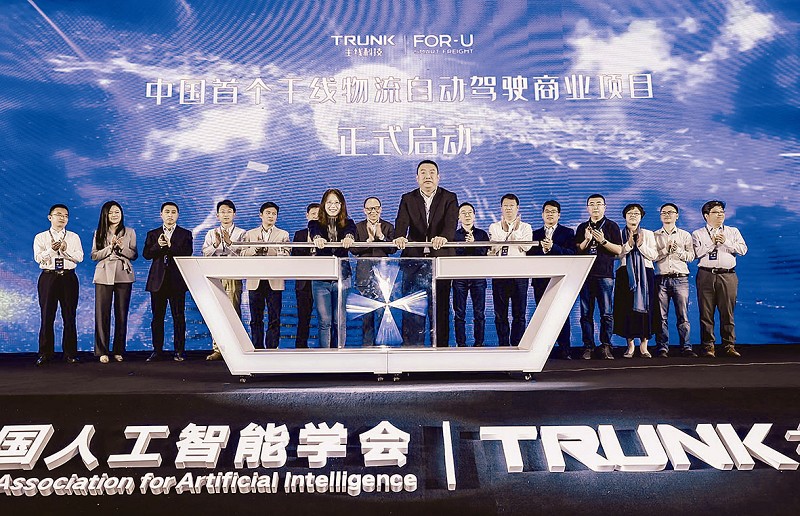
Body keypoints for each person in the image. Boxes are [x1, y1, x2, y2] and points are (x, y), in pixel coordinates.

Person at [393, 160, 458, 346]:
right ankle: (412, 349)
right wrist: (399, 236)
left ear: (438, 177)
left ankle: (441, 350)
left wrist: (444, 237)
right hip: (414, 263)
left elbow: (451, 223)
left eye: (431, 172)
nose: (427, 176)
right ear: (417, 178)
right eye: (423, 172)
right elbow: (401, 223)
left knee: (440, 309)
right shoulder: (408, 198)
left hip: (440, 262)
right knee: (412, 308)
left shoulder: (449, 197)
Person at [692, 200, 748, 357]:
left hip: (728, 275)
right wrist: (711, 243)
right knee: (706, 313)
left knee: (727, 312)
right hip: (706, 275)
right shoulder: (698, 233)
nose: (720, 214)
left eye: (722, 212)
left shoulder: (733, 231)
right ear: (706, 215)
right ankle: (708, 346)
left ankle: (729, 345)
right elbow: (695, 254)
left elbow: (743, 249)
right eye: (716, 212)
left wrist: (726, 242)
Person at [33, 204, 84, 365]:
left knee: (69, 315)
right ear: (50, 217)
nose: (62, 218)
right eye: (59, 214)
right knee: (47, 315)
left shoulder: (73, 237)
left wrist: (65, 249)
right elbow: (38, 258)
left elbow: (80, 257)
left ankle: (70, 354)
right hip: (48, 277)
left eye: (66, 216)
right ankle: (45, 353)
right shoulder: (41, 237)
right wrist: (51, 250)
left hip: (68, 277)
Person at [575, 194, 623, 359]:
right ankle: (588, 346)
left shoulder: (611, 226)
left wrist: (602, 241)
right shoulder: (582, 227)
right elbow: (577, 250)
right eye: (592, 204)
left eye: (599, 204)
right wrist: (587, 240)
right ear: (587, 208)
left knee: (606, 314)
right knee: (585, 314)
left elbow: (619, 250)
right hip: (585, 275)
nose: (595, 207)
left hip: (605, 275)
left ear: (604, 207)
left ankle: (606, 346)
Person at [143, 202, 193, 361]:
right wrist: (158, 245)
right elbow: (146, 254)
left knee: (178, 317)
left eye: (173, 212)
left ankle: (179, 351)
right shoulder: (153, 234)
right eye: (167, 212)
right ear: (161, 215)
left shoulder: (185, 234)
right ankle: (157, 351)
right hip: (157, 281)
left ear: (177, 215)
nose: (170, 215)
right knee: (157, 318)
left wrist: (171, 246)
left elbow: (187, 253)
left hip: (176, 281)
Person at [528, 200, 576, 359]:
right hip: (540, 281)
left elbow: (572, 253)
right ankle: (542, 350)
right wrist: (543, 249)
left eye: (553, 211)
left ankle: (565, 349)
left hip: (560, 280)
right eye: (547, 211)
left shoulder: (568, 232)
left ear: (559, 215)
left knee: (561, 314)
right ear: (542, 215)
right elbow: (529, 256)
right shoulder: (534, 234)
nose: (550, 214)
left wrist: (553, 247)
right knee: (541, 316)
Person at [309, 189, 357, 348]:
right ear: (324, 204)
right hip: (321, 279)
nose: (333, 206)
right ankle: (325, 356)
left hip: (342, 277)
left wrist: (349, 237)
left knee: (339, 320)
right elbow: (314, 232)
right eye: (329, 202)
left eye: (336, 202)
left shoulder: (349, 223)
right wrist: (317, 238)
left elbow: (351, 232)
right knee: (325, 321)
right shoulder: (315, 223)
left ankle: (340, 354)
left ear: (342, 205)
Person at [91, 201, 138, 363]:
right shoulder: (99, 232)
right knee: (102, 314)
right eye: (111, 212)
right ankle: (102, 351)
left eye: (117, 212)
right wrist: (110, 248)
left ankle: (119, 350)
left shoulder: (130, 232)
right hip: (104, 274)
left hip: (123, 274)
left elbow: (134, 255)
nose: (114, 215)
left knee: (121, 314)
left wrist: (122, 248)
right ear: (105, 214)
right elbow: (94, 255)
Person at [203, 199, 247, 361]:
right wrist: (215, 244)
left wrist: (230, 244)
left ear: (234, 214)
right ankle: (218, 349)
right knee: (217, 312)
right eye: (222, 211)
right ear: (217, 215)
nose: (226, 214)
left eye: (229, 211)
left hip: (233, 275)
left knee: (233, 311)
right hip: (215, 276)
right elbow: (205, 253)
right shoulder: (211, 233)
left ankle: (235, 349)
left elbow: (244, 255)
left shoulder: (242, 233)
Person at [613, 204, 658, 358]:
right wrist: (628, 245)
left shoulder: (648, 234)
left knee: (646, 309)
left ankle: (644, 346)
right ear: (625, 216)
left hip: (646, 273)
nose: (633, 216)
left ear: (641, 217)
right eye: (630, 213)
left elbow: (654, 256)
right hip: (625, 274)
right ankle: (630, 345)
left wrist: (641, 245)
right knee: (627, 309)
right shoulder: (618, 233)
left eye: (636, 213)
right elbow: (616, 255)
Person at [243, 202, 290, 349]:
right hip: (255, 280)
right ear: (261, 215)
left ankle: (272, 348)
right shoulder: (250, 234)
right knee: (255, 318)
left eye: (274, 214)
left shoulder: (283, 234)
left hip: (274, 280)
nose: (271, 216)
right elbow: (242, 253)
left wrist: (271, 249)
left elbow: (287, 254)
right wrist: (255, 249)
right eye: (268, 213)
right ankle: (257, 348)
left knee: (274, 318)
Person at [488, 194, 533, 347]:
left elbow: (526, 246)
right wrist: (507, 232)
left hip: (520, 275)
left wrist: (515, 231)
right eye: (505, 206)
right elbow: (494, 248)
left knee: (519, 314)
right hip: (500, 274)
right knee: (500, 314)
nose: (508, 208)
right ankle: (503, 346)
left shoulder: (526, 227)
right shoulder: (494, 227)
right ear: (501, 208)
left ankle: (517, 346)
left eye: (511, 206)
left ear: (517, 208)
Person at [653, 203, 696, 358]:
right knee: (661, 316)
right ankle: (662, 347)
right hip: (661, 279)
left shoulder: (685, 235)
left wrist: (677, 250)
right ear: (660, 216)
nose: (667, 215)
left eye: (670, 212)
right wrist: (665, 251)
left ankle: (686, 347)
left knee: (683, 316)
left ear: (677, 215)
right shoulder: (654, 235)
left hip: (680, 278)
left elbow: (691, 257)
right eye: (664, 212)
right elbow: (652, 257)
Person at [351, 196, 395, 346]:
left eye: (376, 208)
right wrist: (368, 241)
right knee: (367, 314)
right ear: (364, 210)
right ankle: (367, 346)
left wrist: (381, 237)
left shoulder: (388, 226)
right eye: (369, 209)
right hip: (364, 275)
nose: (373, 211)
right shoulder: (357, 227)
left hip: (383, 275)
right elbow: (353, 249)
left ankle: (384, 345)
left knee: (383, 311)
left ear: (380, 209)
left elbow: (393, 249)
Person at [452, 202, 489, 347]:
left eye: (470, 212)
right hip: (459, 277)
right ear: (458, 216)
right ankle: (461, 344)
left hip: (478, 277)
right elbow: (452, 255)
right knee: (459, 313)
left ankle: (479, 343)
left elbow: (485, 253)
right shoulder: (454, 235)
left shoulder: (482, 234)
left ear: (474, 215)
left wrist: (474, 243)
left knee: (479, 313)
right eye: (463, 213)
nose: (467, 215)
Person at [291, 203, 319, 348]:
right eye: (313, 214)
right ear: (307, 215)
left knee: (325, 318)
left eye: (319, 215)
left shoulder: (328, 234)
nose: (316, 217)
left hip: (322, 281)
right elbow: (294, 256)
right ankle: (301, 347)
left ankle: (327, 348)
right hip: (303, 282)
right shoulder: (299, 234)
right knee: (303, 317)